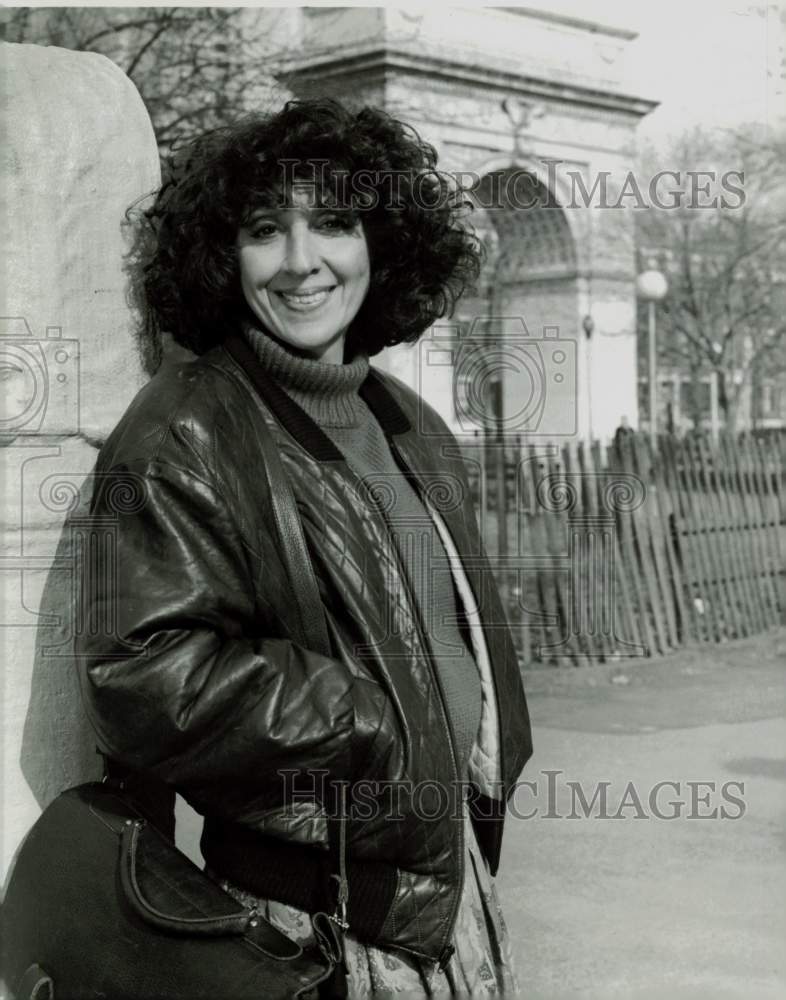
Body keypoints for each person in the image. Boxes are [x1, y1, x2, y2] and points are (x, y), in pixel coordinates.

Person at [75, 97, 533, 997]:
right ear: (221, 255)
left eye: (333, 223)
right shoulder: (188, 428)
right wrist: (371, 723)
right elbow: (140, 673)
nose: (301, 262)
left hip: (450, 887)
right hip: (313, 920)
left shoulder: (410, 421)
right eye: (262, 230)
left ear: (382, 242)